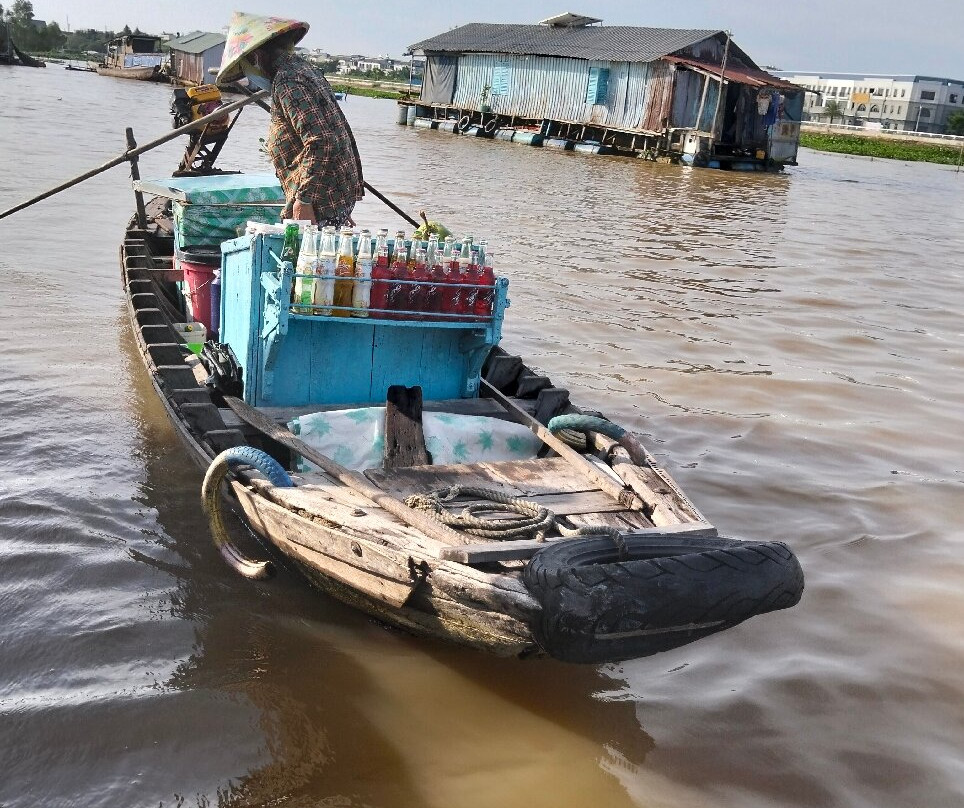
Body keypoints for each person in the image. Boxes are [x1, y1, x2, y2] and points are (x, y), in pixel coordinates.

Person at [217, 12, 364, 226]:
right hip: (331, 196)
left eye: (246, 68)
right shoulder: (306, 70)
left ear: (256, 57)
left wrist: (305, 199)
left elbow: (321, 141)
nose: (249, 76)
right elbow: (336, 130)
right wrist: (337, 200)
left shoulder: (288, 81)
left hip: (317, 203)